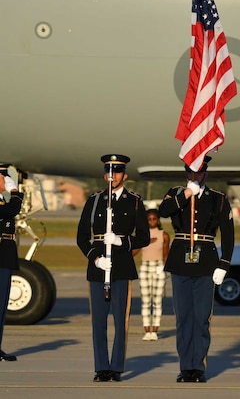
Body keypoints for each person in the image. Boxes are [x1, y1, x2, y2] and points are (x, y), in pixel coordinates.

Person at [159, 155, 235, 383]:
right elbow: (163, 211)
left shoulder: (218, 199)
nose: (196, 176)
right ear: (185, 173)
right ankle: (186, 367)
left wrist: (224, 263)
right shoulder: (176, 194)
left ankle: (198, 367)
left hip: (206, 263)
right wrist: (187, 194)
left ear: (206, 173)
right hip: (181, 261)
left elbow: (228, 235)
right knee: (183, 318)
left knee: (201, 318)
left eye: (200, 172)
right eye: (191, 172)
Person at [76, 154, 149, 382]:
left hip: (122, 267)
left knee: (120, 321)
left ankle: (116, 367)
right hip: (98, 267)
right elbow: (81, 237)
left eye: (116, 172)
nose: (112, 176)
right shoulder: (95, 200)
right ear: (104, 174)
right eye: (108, 171)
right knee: (98, 321)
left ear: (124, 175)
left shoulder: (134, 201)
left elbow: (144, 237)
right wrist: (95, 258)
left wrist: (121, 241)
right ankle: (101, 368)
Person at [134, 209, 170, 341]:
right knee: (145, 301)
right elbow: (133, 252)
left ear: (158, 220)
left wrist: (164, 269)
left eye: (154, 219)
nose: (152, 221)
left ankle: (155, 330)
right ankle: (146, 329)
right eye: (149, 219)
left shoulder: (164, 235)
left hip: (158, 267)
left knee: (157, 301)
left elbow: (166, 254)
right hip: (145, 267)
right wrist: (146, 241)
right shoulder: (142, 235)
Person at [0, 165, 23, 362]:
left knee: (1, 304)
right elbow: (12, 210)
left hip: (5, 252)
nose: (4, 181)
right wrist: (14, 192)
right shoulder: (8, 200)